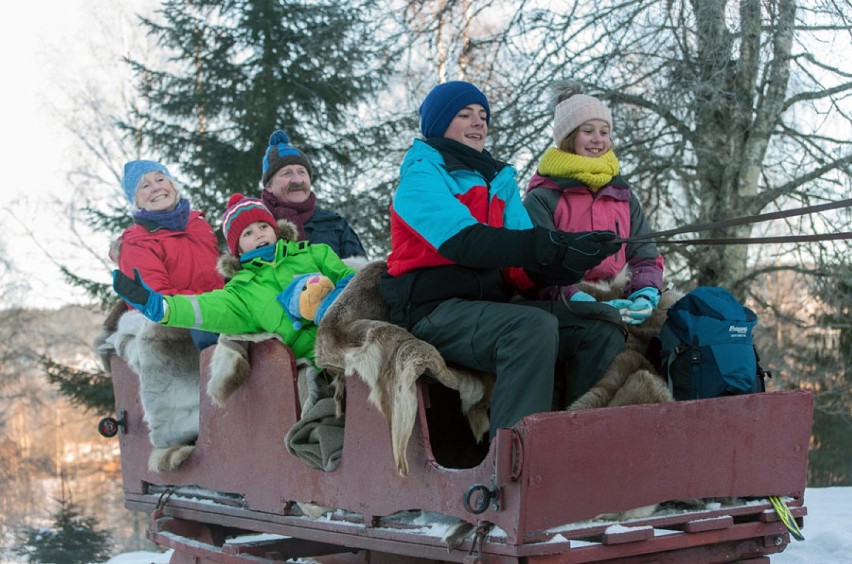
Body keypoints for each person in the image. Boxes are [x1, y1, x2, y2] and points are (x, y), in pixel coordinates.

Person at [378, 80, 628, 437]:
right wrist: (546, 244)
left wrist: (569, 257)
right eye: (465, 115)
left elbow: (519, 269)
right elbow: (464, 242)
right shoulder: (420, 176)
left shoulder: (498, 179)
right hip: (434, 310)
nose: (479, 122)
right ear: (439, 124)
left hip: (489, 308)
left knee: (602, 324)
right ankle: (514, 463)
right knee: (530, 327)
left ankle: (569, 438)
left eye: (483, 115)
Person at [112, 194, 357, 368]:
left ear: (275, 229)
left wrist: (334, 303)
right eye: (247, 233)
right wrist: (160, 306)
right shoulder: (241, 291)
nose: (259, 233)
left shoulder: (315, 253)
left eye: (263, 226)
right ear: (237, 248)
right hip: (317, 360)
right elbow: (204, 308)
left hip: (353, 334)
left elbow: (354, 282)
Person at [523, 83, 664, 326]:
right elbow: (536, 269)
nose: (598, 140)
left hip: (623, 293)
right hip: (568, 300)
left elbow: (645, 256)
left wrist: (645, 292)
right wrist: (578, 299)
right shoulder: (543, 197)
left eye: (604, 131)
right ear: (569, 138)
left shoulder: (622, 194)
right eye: (588, 131)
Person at [116, 159, 224, 348]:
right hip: (176, 325)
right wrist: (216, 305)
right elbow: (158, 297)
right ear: (136, 201)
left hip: (221, 310)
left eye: (160, 180)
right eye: (145, 185)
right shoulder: (136, 243)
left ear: (172, 185)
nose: (156, 188)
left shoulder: (198, 224)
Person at [261, 129, 366, 259]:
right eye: (287, 173)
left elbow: (362, 275)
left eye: (302, 172)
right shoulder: (255, 227)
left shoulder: (335, 224)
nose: (297, 180)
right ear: (269, 186)